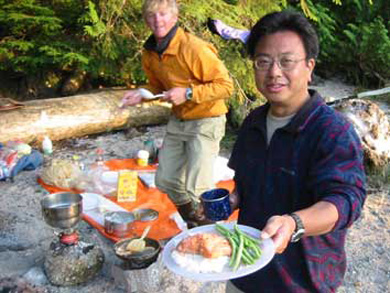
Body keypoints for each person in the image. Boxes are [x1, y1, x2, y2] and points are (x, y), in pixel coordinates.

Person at [226, 11, 366, 292]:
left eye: (286, 61)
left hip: (301, 281)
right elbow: (245, 185)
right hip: (245, 270)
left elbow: (346, 201)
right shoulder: (253, 122)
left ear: (309, 67)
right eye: (263, 62)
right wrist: (226, 203)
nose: (274, 72)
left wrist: (294, 223)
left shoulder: (332, 131)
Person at [121, 0, 234, 227]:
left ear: (174, 17)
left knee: (198, 187)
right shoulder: (151, 52)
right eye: (152, 16)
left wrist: (189, 93)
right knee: (166, 179)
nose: (157, 20)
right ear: (146, 20)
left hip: (207, 119)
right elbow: (156, 86)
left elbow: (226, 86)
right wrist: (141, 93)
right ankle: (195, 220)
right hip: (179, 120)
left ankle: (217, 235)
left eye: (163, 14)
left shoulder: (194, 48)